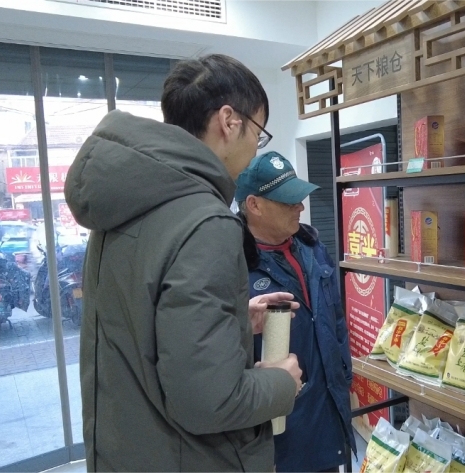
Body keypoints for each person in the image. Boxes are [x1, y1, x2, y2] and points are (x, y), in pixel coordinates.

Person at [64, 55, 303, 472]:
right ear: (229, 121)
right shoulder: (206, 222)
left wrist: (231, 321)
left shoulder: (123, 203)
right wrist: (281, 383)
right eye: (258, 133)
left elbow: (142, 329)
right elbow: (210, 401)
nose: (254, 149)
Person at [236, 152, 356, 472]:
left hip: (329, 411)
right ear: (254, 205)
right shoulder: (231, 265)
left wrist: (345, 377)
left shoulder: (313, 248)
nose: (300, 207)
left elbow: (336, 320)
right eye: (288, 201)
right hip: (278, 427)